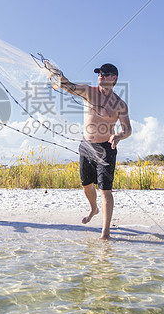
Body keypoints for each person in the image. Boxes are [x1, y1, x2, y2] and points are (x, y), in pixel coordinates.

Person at [50, 62, 131, 239]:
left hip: (106, 148)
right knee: (86, 185)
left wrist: (118, 136)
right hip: (86, 145)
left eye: (105, 73)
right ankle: (93, 208)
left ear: (114, 78)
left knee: (105, 190)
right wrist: (57, 74)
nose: (100, 75)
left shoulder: (120, 104)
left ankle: (105, 232)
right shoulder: (89, 91)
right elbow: (68, 86)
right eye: (99, 72)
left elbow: (127, 129)